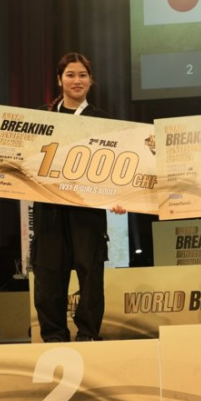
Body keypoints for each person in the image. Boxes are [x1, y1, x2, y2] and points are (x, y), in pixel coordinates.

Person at [32, 52, 125, 343]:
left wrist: (121, 196)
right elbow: (24, 157)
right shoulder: (41, 117)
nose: (77, 80)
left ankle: (88, 333)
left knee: (90, 274)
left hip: (88, 210)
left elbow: (118, 166)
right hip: (49, 209)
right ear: (59, 80)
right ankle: (53, 335)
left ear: (90, 81)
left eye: (82, 75)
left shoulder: (102, 120)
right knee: (48, 275)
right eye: (70, 75)